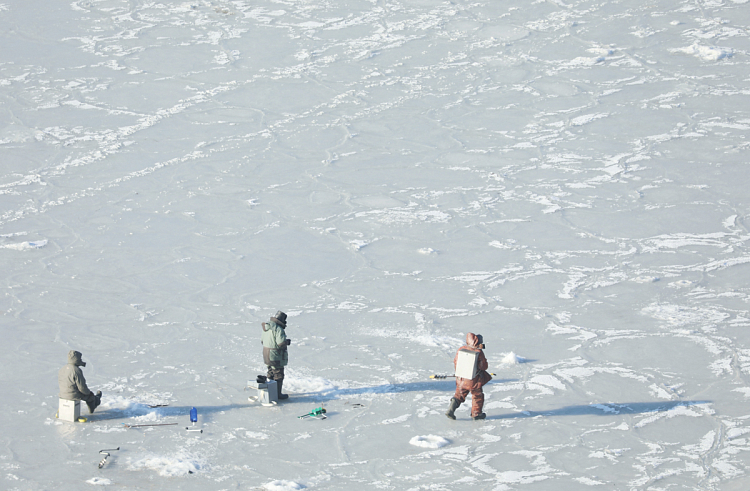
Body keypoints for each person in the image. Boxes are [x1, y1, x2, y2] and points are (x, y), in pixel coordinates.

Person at [446, 333, 492, 420]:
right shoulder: (479, 352)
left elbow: (456, 362)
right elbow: (483, 367)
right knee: (477, 396)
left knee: (458, 395)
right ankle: (476, 414)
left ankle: (450, 410)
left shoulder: (461, 349)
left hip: (461, 378)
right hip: (474, 380)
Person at [261, 311, 291, 400]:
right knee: (278, 374)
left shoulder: (267, 327)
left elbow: (262, 341)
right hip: (275, 355)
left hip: (266, 354)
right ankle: (278, 394)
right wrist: (287, 342)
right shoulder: (278, 329)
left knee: (270, 372)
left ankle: (270, 392)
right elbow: (281, 343)